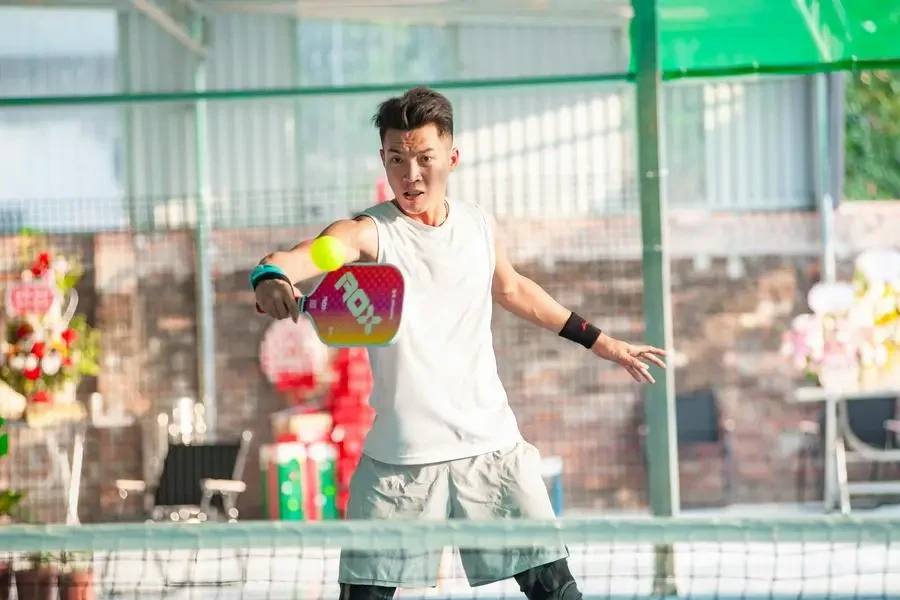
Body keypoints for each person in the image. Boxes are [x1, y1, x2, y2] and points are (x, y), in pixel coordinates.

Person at [252, 86, 667, 600]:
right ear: (383, 159)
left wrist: (602, 342)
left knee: (558, 593)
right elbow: (307, 256)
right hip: (400, 460)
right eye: (396, 160)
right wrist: (273, 275)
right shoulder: (368, 233)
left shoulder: (478, 226)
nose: (411, 174)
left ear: (452, 156)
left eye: (424, 158)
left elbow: (513, 289)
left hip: (491, 448)